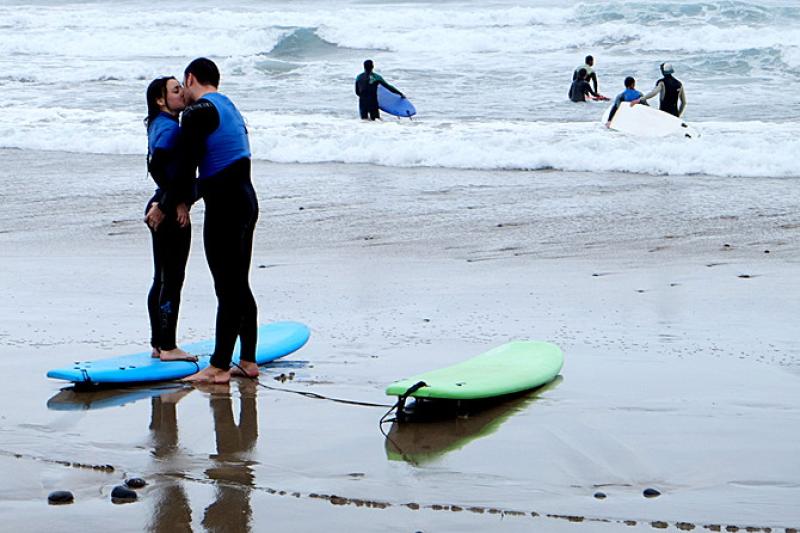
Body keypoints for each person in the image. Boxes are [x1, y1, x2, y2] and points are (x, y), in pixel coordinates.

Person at [178, 58, 259, 384]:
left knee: (227, 287)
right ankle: (248, 361)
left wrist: (173, 201)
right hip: (246, 201)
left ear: (190, 78)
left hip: (225, 207)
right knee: (239, 284)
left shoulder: (197, 112)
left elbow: (187, 165)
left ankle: (219, 366)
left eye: (182, 86)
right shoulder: (229, 107)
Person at [143, 76, 196, 362]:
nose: (183, 93)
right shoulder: (170, 130)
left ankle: (158, 343)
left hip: (161, 204)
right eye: (176, 91)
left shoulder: (159, 124)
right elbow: (160, 165)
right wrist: (173, 202)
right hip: (167, 210)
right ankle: (168, 347)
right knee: (172, 278)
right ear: (161, 100)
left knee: (162, 277)